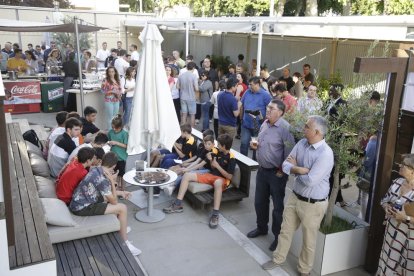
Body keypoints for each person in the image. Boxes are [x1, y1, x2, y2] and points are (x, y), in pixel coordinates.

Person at [262, 115, 334, 276]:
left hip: (314, 204)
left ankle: (304, 270)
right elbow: (286, 164)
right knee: (285, 230)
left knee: (309, 241)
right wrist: (299, 169)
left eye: (307, 127)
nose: (304, 128)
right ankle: (278, 259)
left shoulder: (325, 154)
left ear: (317, 132)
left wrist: (294, 169)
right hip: (295, 197)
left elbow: (311, 181)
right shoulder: (302, 143)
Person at [69, 152, 141, 256]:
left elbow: (105, 193)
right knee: (122, 208)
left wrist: (121, 192)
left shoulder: (96, 169)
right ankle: (125, 244)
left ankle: (122, 227)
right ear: (114, 166)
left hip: (81, 200)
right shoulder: (102, 179)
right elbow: (114, 201)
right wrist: (112, 181)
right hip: (82, 207)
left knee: (111, 200)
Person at [247, 99, 295, 251]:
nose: (267, 110)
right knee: (260, 202)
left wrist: (282, 172)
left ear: (280, 112)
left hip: (276, 174)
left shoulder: (285, 128)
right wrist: (256, 146)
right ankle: (262, 228)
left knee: (277, 208)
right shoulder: (265, 123)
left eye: (271, 108)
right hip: (262, 170)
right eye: (268, 107)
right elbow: (262, 143)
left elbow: (290, 154)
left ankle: (277, 237)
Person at [163, 134, 236, 229]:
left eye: (219, 144)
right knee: (187, 175)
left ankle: (215, 214)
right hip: (211, 175)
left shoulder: (231, 157)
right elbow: (212, 166)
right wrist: (210, 160)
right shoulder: (217, 151)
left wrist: (217, 165)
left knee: (218, 182)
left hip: (221, 180)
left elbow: (229, 176)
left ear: (224, 146)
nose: (217, 146)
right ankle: (178, 204)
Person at [376, 154, 414, 275]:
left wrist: (405, 218)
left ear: (413, 170)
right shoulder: (397, 182)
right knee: (386, 263)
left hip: (407, 239)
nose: (400, 166)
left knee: (400, 270)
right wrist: (386, 207)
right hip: (391, 233)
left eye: (404, 165)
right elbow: (384, 200)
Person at [240, 76, 272, 159]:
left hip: (257, 127)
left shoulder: (265, 95)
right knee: (244, 144)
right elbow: (241, 105)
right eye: (249, 84)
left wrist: (266, 121)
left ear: (257, 84)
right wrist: (240, 117)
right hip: (246, 124)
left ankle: (254, 163)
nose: (249, 86)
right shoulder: (247, 92)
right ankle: (243, 161)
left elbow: (270, 109)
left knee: (255, 146)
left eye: (251, 85)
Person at [108, 115, 129, 189]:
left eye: (116, 128)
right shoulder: (110, 132)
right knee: (113, 174)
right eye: (112, 127)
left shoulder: (124, 134)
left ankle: (123, 189)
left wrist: (116, 143)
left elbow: (127, 146)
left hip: (121, 157)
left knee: (122, 174)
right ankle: (115, 189)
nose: (114, 129)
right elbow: (109, 141)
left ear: (121, 127)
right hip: (113, 157)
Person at [177, 62, 199, 127]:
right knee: (192, 115)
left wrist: (183, 88)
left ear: (187, 67)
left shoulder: (181, 75)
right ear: (194, 68)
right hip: (191, 97)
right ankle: (192, 131)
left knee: (184, 114)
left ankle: (183, 129)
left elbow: (177, 86)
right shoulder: (194, 76)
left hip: (182, 97)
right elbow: (197, 88)